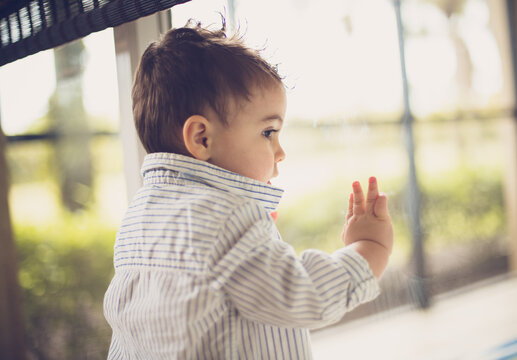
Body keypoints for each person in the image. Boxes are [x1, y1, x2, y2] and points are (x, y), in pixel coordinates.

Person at [103, 19, 393, 360]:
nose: (280, 151)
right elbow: (303, 296)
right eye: (269, 132)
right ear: (201, 138)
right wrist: (369, 249)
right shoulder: (227, 219)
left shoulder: (136, 220)